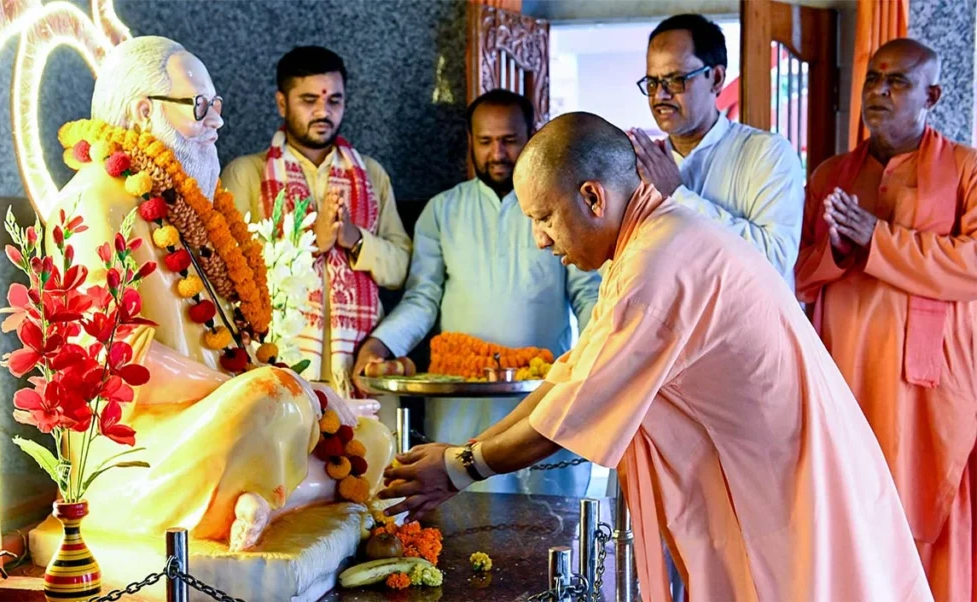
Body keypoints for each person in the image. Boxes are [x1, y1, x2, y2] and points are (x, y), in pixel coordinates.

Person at [380, 112, 934, 602]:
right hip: (772, 474)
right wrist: (461, 457)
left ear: (593, 197)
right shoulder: (649, 242)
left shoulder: (655, 264)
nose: (540, 240)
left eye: (544, 217)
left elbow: (574, 410)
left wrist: (463, 466)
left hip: (789, 485)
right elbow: (570, 377)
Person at [46, 36, 393, 553]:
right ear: (144, 112)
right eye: (199, 106)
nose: (217, 121)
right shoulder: (96, 198)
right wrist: (261, 390)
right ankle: (252, 491)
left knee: (372, 443)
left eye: (216, 105)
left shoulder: (181, 204)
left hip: (219, 415)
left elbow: (228, 344)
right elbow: (113, 362)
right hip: (143, 442)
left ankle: (256, 494)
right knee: (276, 398)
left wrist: (294, 391)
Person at [795, 38, 976, 602]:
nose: (879, 91)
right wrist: (838, 249)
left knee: (930, 508)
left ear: (932, 95)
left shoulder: (966, 169)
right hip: (847, 368)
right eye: (874, 78)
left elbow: (972, 265)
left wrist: (878, 239)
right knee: (850, 502)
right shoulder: (831, 174)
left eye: (897, 81)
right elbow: (798, 271)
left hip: (929, 381)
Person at [354, 90, 601, 496]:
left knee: (549, 516)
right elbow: (422, 298)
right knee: (462, 516)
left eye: (509, 140)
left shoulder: (560, 207)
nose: (497, 153)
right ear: (470, 141)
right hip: (461, 403)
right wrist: (381, 344)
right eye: (485, 141)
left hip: (540, 395)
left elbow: (588, 294)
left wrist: (600, 356)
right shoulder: (442, 211)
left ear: (532, 136)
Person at [222, 45, 410, 397]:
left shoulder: (370, 175)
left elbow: (400, 267)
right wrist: (309, 243)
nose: (324, 111)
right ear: (282, 103)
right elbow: (229, 273)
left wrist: (356, 240)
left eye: (335, 100)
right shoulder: (248, 174)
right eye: (309, 100)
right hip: (273, 368)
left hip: (357, 371)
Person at [629, 13, 803, 288]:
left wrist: (676, 196)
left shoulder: (767, 154)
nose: (660, 95)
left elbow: (774, 259)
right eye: (652, 83)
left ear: (717, 78)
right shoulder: (644, 165)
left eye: (676, 80)